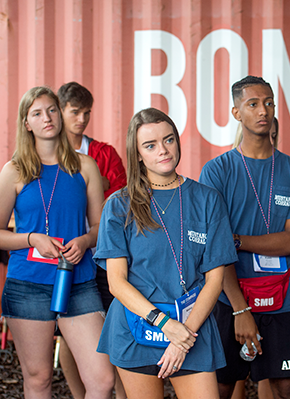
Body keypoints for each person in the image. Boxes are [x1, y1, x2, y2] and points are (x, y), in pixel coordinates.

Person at [94, 108, 236, 399]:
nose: (163, 150)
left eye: (168, 140)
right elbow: (116, 282)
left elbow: (214, 281)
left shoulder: (207, 199)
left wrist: (182, 336)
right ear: (138, 154)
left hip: (191, 327)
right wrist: (164, 324)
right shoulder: (119, 205)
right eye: (150, 145)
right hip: (137, 326)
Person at [199, 76, 290, 399]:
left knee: (286, 385)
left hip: (282, 297)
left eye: (268, 103)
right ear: (236, 112)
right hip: (229, 297)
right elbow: (215, 249)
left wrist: (237, 240)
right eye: (252, 104)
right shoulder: (217, 171)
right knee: (222, 385)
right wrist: (240, 310)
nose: (262, 110)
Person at [0, 86, 114, 398]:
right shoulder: (13, 171)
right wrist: (31, 238)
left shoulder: (84, 166)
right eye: (37, 113)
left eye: (52, 109)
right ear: (27, 123)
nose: (47, 117)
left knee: (102, 380)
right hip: (28, 285)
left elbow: (99, 227)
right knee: (39, 380)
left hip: (79, 281)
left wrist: (85, 240)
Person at [57, 81, 127, 399]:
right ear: (59, 111)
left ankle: (123, 393)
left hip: (100, 251)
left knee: (114, 327)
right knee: (70, 333)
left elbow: (121, 200)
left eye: (87, 112)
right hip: (60, 255)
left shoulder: (103, 153)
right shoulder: (44, 153)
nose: (82, 119)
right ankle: (78, 393)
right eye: (75, 112)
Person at [231, 117, 278, 399]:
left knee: (269, 374)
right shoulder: (226, 170)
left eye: (274, 134)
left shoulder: (285, 172)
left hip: (275, 287)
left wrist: (238, 241)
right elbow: (218, 245)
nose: (267, 137)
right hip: (234, 284)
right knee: (235, 374)